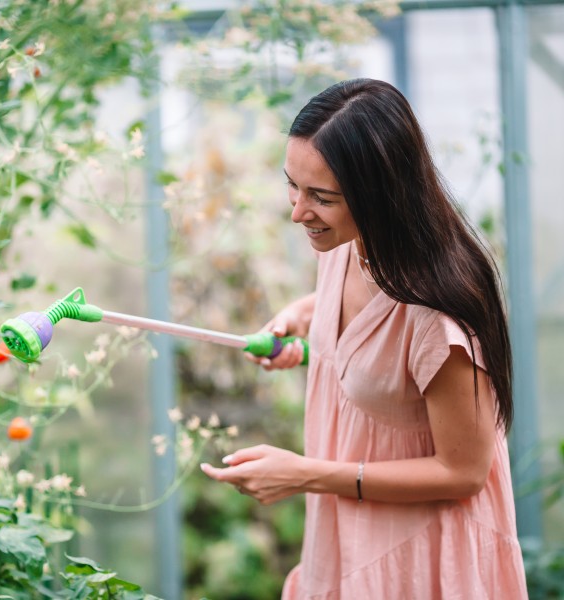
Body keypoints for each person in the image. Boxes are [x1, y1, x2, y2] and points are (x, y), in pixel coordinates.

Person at [200, 78, 528, 599]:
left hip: (420, 557)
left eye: (320, 197)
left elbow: (465, 471)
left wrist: (305, 474)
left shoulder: (438, 314)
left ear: (380, 195)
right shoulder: (344, 243)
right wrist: (303, 316)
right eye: (293, 185)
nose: (297, 211)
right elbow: (361, 310)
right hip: (347, 537)